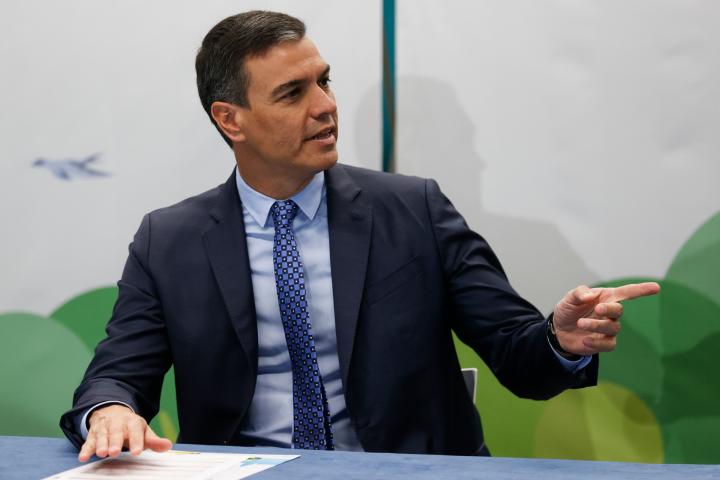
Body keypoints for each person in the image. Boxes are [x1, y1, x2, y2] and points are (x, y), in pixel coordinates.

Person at [60, 10, 659, 461]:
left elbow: (517, 354)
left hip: (405, 472)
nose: (325, 106)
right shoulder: (169, 240)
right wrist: (110, 410)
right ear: (230, 119)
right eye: (293, 93)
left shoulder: (414, 210)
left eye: (324, 82)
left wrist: (560, 340)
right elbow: (117, 373)